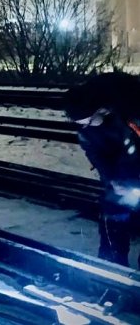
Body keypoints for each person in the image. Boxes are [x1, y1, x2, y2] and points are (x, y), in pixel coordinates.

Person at [64, 72, 140, 267]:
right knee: (113, 210)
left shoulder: (130, 112)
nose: (85, 127)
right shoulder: (87, 130)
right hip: (124, 172)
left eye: (88, 122)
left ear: (101, 110)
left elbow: (131, 149)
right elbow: (97, 156)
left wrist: (128, 179)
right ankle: (111, 265)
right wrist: (113, 181)